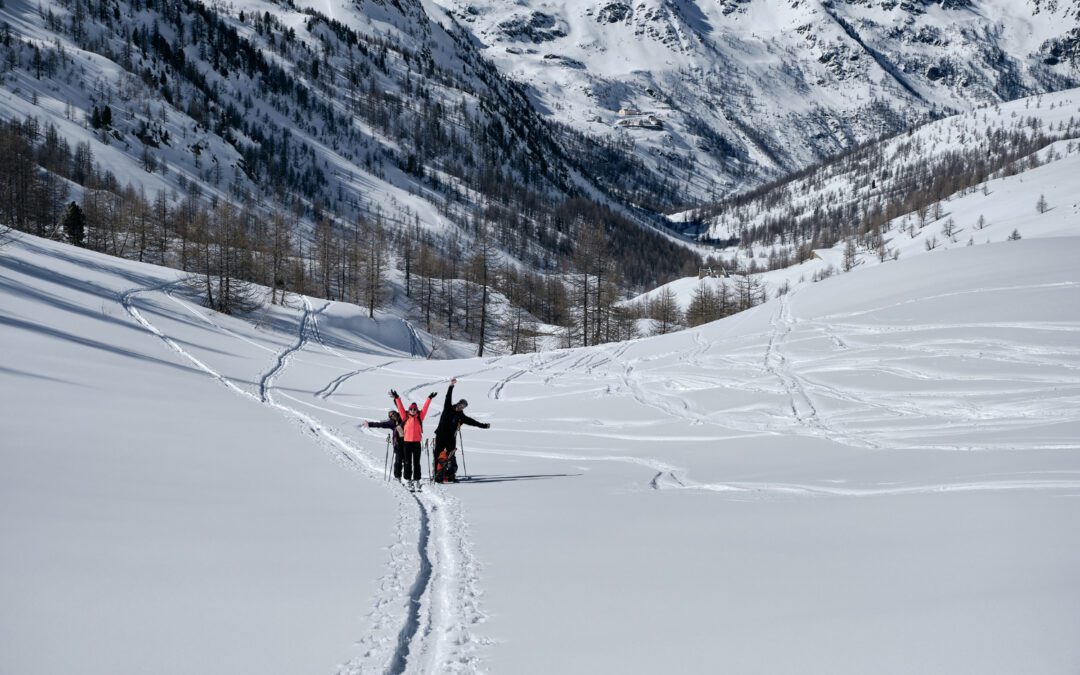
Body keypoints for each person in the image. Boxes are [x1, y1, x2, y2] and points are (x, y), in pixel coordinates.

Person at [433, 377, 490, 483]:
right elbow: (448, 397)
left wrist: (483, 425)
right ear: (458, 403)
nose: (461, 407)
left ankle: (450, 475)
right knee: (437, 455)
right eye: (461, 404)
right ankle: (437, 475)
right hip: (440, 435)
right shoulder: (448, 408)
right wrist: (451, 386)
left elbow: (473, 422)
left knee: (451, 456)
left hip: (451, 438)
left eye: (463, 406)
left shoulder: (461, 416)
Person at [392, 388, 436, 489]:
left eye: (414, 409)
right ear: (409, 409)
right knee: (408, 463)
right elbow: (400, 408)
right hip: (407, 443)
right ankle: (408, 480)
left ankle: (417, 480)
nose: (413, 410)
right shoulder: (405, 416)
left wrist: (429, 398)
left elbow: (425, 408)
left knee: (417, 463)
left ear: (416, 410)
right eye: (411, 409)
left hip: (416, 443)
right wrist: (397, 398)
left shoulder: (420, 416)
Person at [363, 410, 404, 481]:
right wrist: (370, 424)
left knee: (406, 461)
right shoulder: (391, 423)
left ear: (397, 413)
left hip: (406, 443)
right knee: (398, 460)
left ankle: (408, 477)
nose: (393, 416)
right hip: (397, 444)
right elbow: (380, 424)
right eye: (391, 416)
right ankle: (397, 476)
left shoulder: (403, 419)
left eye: (393, 414)